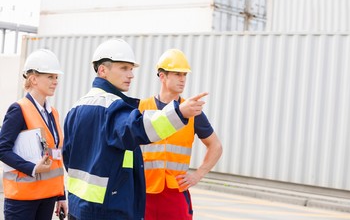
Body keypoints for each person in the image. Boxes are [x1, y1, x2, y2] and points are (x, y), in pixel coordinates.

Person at [62, 39, 207, 220]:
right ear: (102, 70)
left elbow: (68, 156)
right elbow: (138, 127)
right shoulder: (113, 107)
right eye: (123, 68)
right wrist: (179, 112)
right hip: (108, 209)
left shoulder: (75, 108)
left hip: (78, 205)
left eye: (131, 69)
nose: (130, 75)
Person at [138, 49, 223, 220]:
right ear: (162, 76)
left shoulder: (192, 110)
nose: (183, 79)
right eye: (177, 74)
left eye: (184, 75)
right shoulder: (141, 108)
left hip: (175, 193)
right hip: (143, 191)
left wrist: (198, 175)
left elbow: (216, 146)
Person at [0, 49, 68, 219]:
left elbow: (56, 156)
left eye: (56, 77)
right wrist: (32, 168)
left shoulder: (53, 113)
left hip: (48, 197)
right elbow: (2, 149)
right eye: (50, 77)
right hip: (22, 199)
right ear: (33, 79)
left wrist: (61, 195)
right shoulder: (19, 109)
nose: (55, 82)